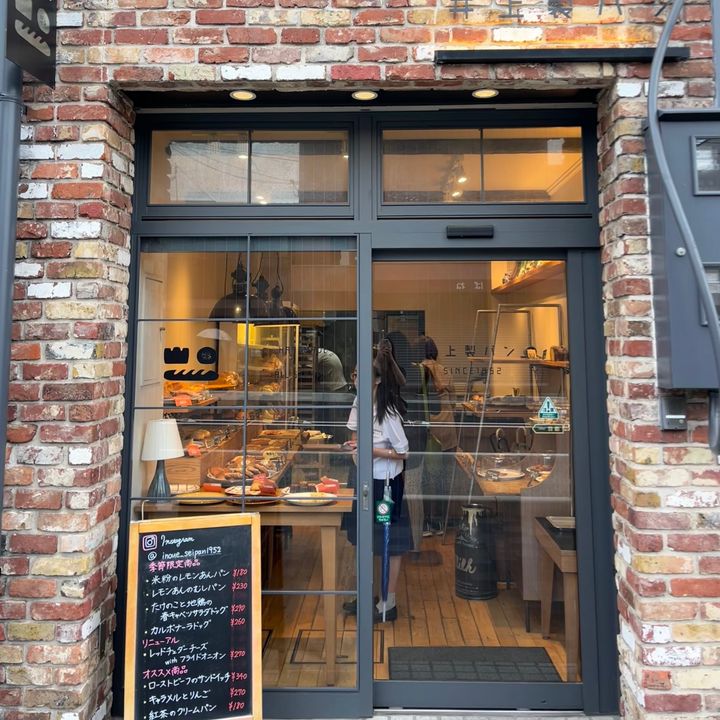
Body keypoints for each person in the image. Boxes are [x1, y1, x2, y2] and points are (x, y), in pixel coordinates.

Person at [343, 339, 411, 622]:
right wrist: (355, 449)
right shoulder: (359, 402)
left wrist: (372, 450)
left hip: (386, 485)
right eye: (354, 374)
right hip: (363, 478)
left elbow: (404, 452)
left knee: (389, 542)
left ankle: (388, 601)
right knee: (362, 538)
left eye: (362, 374)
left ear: (378, 380)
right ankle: (365, 594)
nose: (356, 379)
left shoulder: (388, 411)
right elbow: (355, 435)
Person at [419, 336, 458, 536]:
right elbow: (454, 400)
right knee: (444, 478)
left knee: (426, 478)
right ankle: (441, 522)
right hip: (448, 429)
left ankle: (426, 522)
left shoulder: (419, 371)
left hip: (429, 430)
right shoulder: (444, 370)